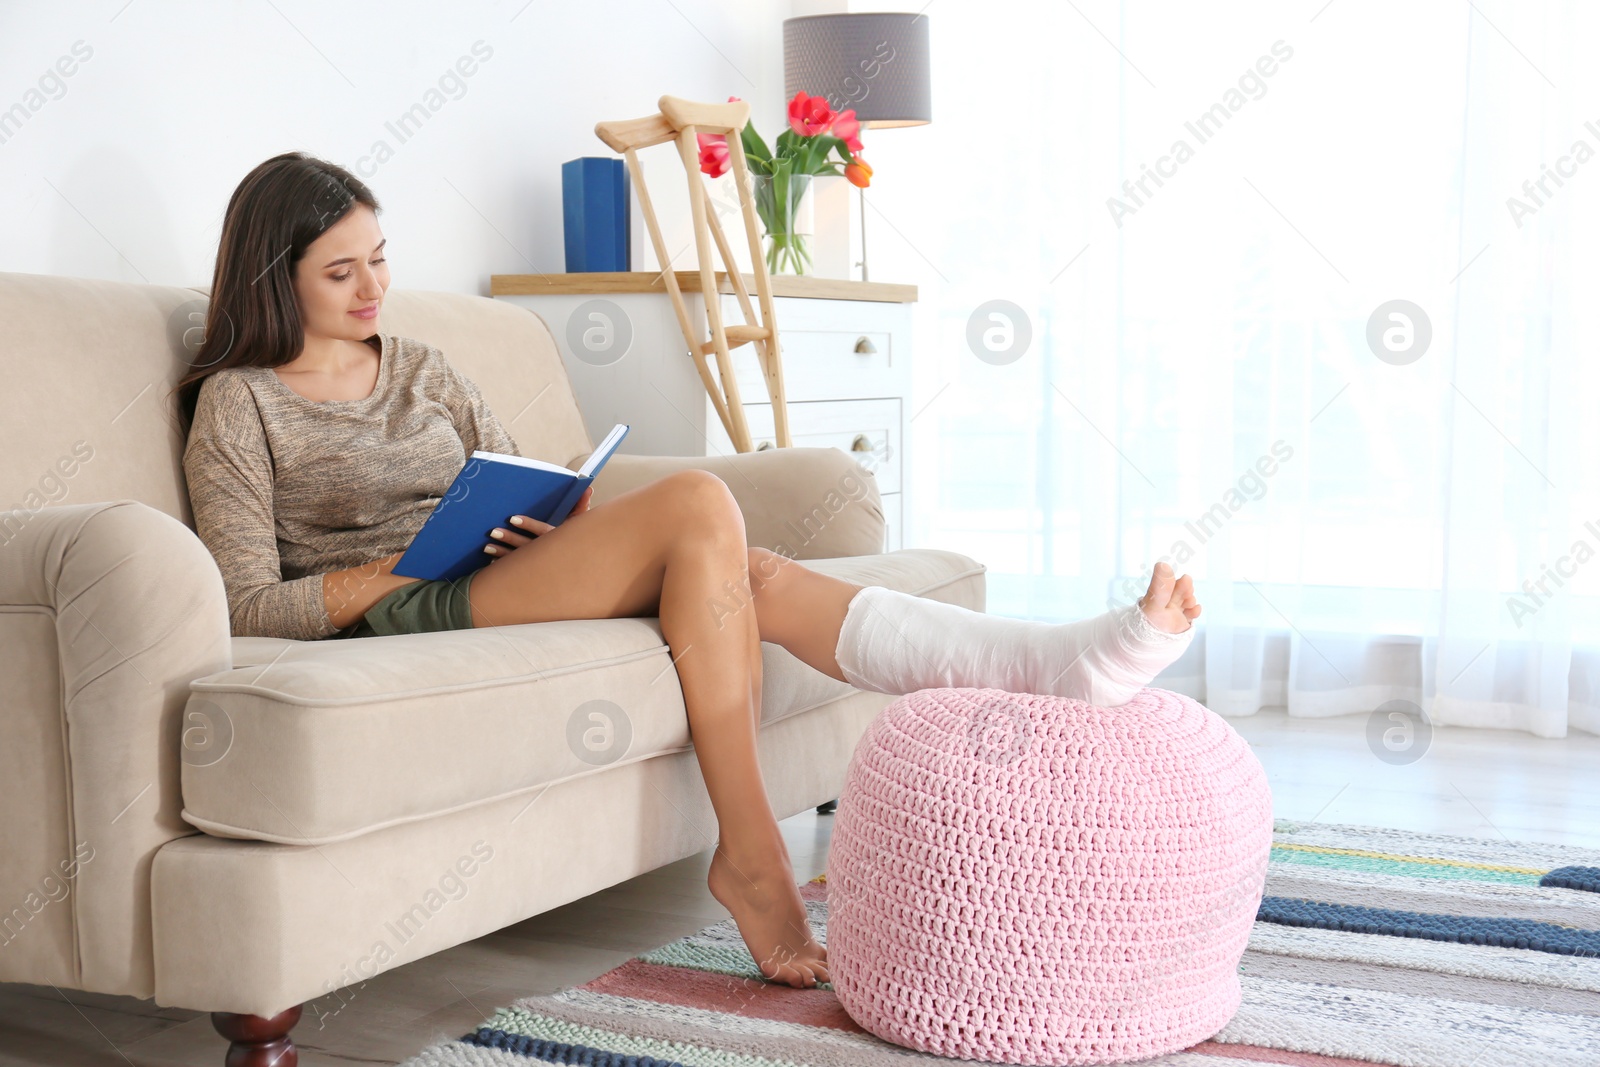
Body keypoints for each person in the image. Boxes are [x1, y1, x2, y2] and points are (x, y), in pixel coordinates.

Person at [173, 152, 1202, 991]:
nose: (375, 287)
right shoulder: (239, 401)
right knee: (703, 508)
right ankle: (754, 853)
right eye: (340, 271)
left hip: (496, 571)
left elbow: (514, 474)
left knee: (744, 573)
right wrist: (401, 565)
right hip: (396, 604)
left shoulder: (423, 364)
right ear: (278, 276)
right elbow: (245, 599)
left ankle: (1044, 664)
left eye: (380, 258)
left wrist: (543, 515)